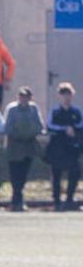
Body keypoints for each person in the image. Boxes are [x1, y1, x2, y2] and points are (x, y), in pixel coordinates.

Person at [3, 86, 44, 212]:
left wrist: (29, 133)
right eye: (21, 96)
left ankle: (17, 201)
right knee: (15, 175)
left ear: (30, 98)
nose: (23, 99)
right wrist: (19, 134)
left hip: (28, 147)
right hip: (14, 147)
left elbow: (39, 126)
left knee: (23, 175)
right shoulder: (12, 109)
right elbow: (7, 127)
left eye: (26, 96)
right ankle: (16, 202)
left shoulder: (34, 109)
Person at [46, 82, 82, 211]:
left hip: (72, 148)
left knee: (75, 173)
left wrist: (74, 130)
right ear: (59, 96)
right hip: (57, 148)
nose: (67, 97)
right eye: (64, 94)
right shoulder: (54, 112)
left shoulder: (77, 112)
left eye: (69, 94)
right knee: (56, 175)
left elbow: (81, 125)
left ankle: (69, 200)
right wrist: (64, 129)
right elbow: (50, 126)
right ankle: (57, 202)